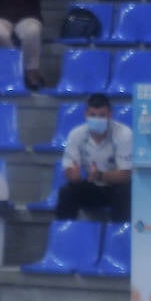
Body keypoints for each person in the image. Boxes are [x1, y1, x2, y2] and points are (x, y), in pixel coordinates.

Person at [57, 93, 132, 222]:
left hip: (115, 187)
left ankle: (119, 236)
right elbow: (70, 169)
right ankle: (64, 234)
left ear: (110, 115)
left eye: (102, 115)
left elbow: (125, 175)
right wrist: (73, 176)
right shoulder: (76, 134)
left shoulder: (124, 134)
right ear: (86, 115)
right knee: (66, 192)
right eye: (93, 115)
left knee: (124, 192)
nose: (97, 119)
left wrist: (100, 175)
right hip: (91, 185)